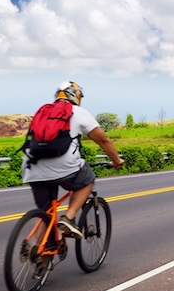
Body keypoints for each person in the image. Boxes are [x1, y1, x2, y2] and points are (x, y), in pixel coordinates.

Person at [21, 81, 124, 238]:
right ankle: (68, 218)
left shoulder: (43, 112)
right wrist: (116, 160)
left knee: (46, 213)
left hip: (33, 168)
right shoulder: (78, 112)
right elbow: (103, 140)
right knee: (87, 180)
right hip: (64, 166)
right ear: (76, 95)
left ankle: (38, 251)